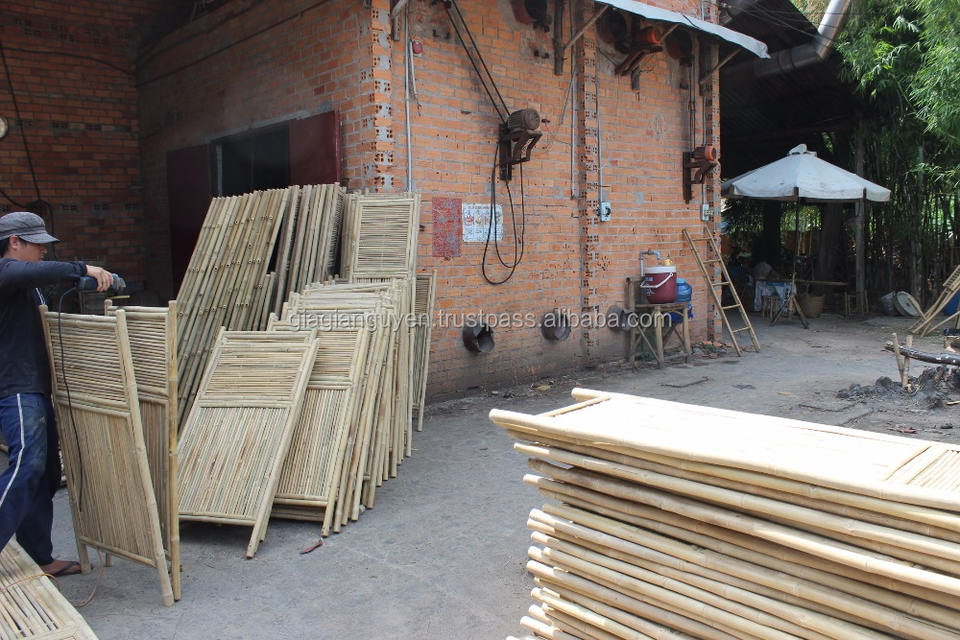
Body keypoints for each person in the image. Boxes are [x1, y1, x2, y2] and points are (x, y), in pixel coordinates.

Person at [0, 211, 113, 576]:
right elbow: (34, 272)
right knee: (26, 465)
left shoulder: (25, 281)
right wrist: (84, 268)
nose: (44, 251)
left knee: (46, 474)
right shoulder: (6, 272)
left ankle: (40, 557)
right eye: (37, 245)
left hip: (36, 388)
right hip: (16, 388)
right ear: (14, 242)